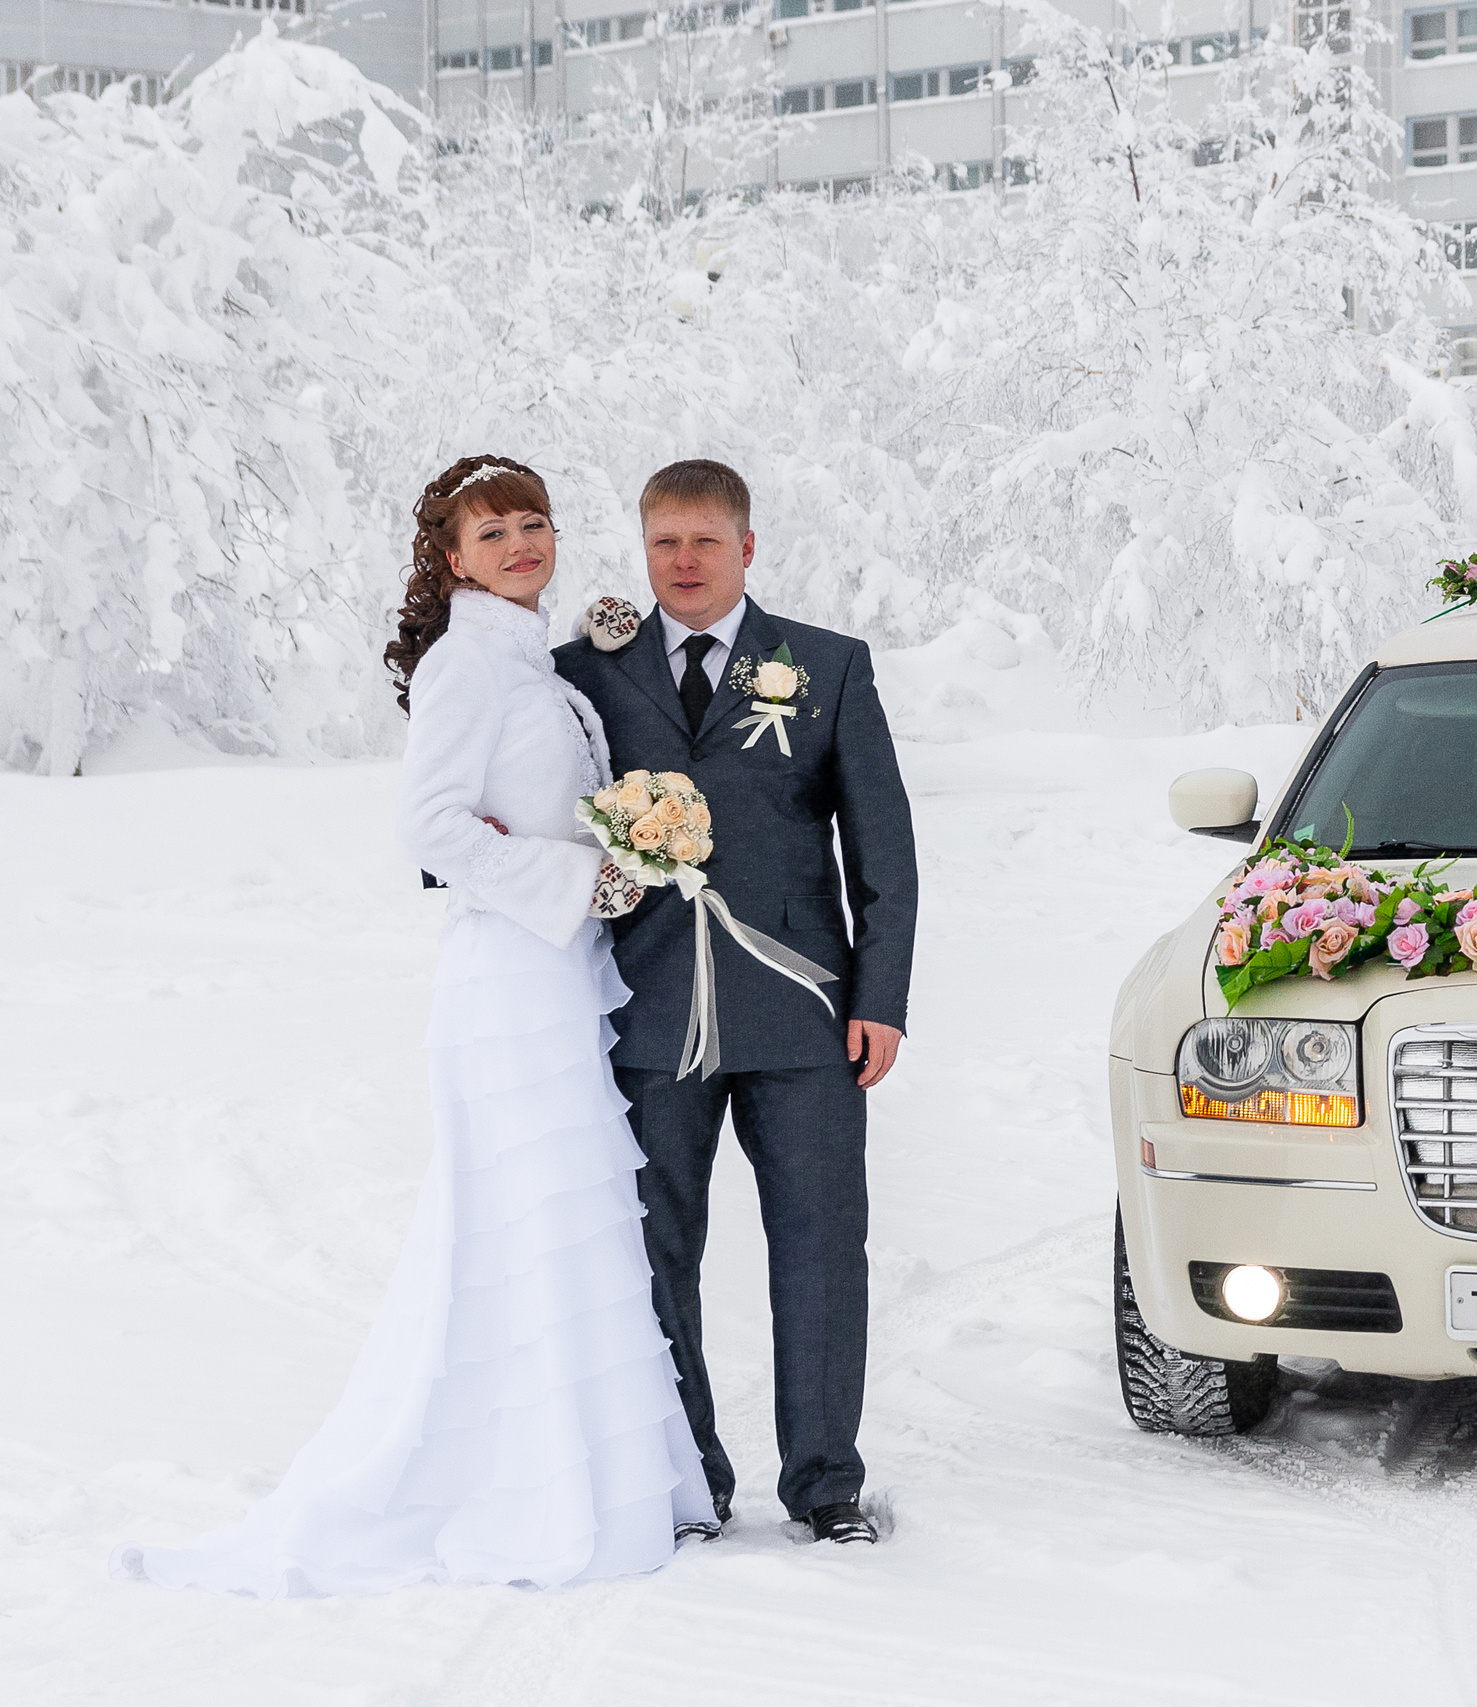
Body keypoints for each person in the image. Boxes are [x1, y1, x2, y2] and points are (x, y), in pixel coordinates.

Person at [114, 455, 715, 1597]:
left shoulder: (528, 657)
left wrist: (605, 658)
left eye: (534, 523)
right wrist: (577, 879)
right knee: (524, 1223)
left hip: (564, 977)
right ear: (452, 559)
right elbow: (432, 828)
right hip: (509, 982)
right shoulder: (461, 665)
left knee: (569, 1222)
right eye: (492, 534)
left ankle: (603, 1482)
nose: (521, 545)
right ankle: (528, 1494)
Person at [553, 460, 918, 1548]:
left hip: (804, 1014)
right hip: (645, 1008)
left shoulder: (826, 665)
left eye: (705, 541)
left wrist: (881, 997)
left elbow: (885, 854)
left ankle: (825, 1482)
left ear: (747, 547)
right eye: (664, 542)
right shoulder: (584, 672)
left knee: (821, 1246)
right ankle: (687, 1482)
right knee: (652, 1250)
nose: (684, 562)